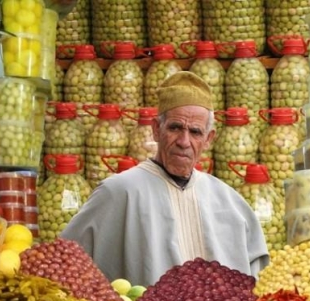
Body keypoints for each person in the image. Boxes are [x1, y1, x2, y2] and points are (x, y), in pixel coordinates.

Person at [60, 71, 270, 287]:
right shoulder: (120, 191)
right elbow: (63, 261)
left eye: (195, 132)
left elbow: (260, 281)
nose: (184, 141)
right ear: (156, 130)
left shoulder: (229, 202)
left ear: (208, 139)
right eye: (175, 128)